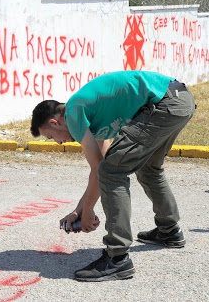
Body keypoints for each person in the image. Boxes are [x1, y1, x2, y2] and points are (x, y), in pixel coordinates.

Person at [30, 70, 195, 281]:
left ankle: (117, 258)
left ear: (54, 123)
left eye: (51, 136)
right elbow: (98, 170)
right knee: (148, 169)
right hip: (179, 100)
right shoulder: (91, 114)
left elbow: (103, 170)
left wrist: (88, 211)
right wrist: (78, 210)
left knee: (112, 171)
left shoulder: (73, 111)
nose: (59, 143)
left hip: (165, 104)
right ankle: (169, 230)